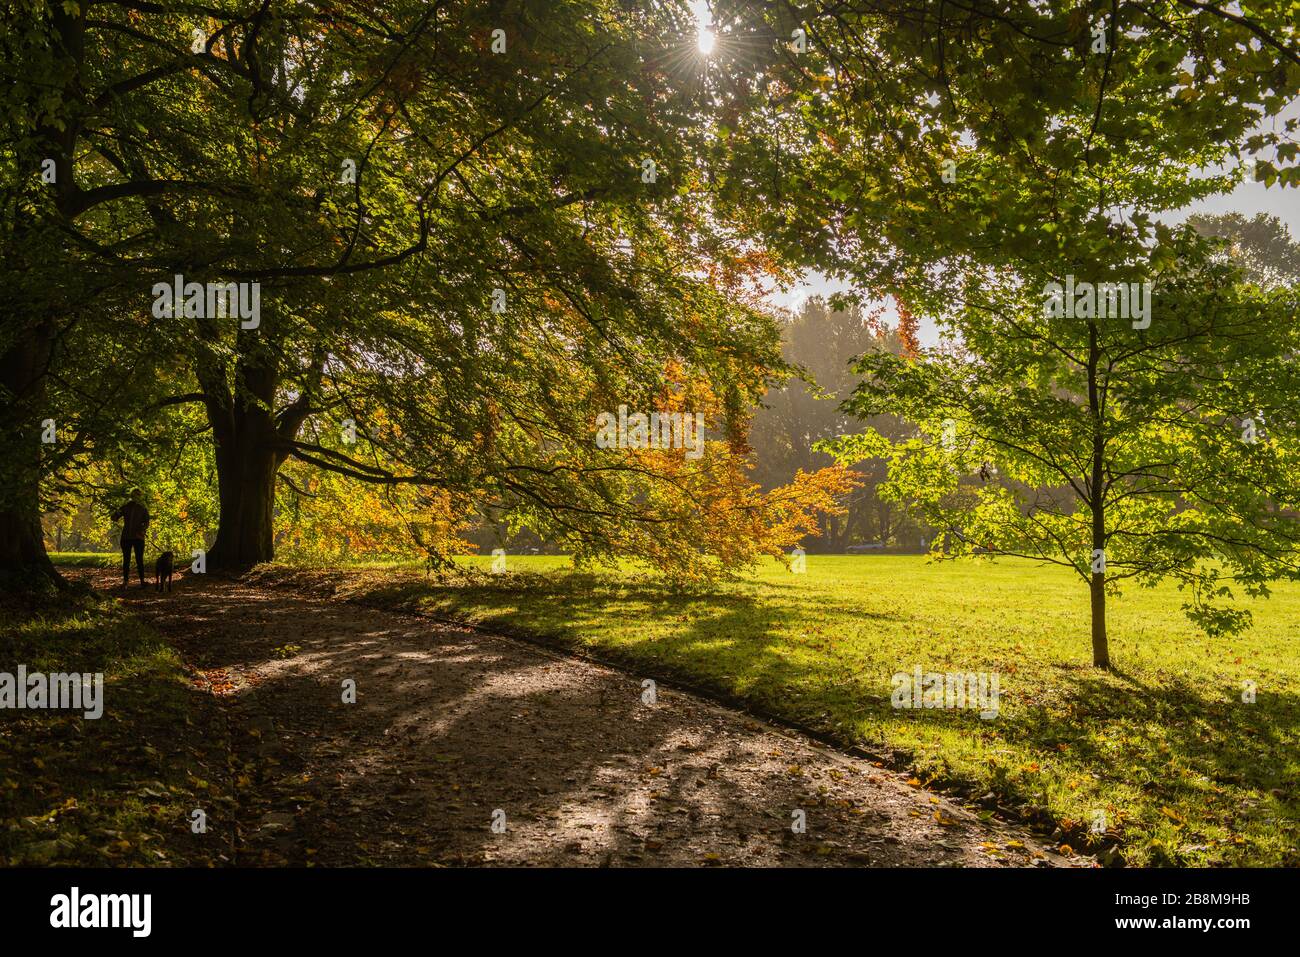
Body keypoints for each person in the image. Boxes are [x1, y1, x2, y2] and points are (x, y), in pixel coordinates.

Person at [112, 489, 150, 588]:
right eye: (136, 495)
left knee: (136, 560)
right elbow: (114, 517)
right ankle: (128, 582)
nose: (137, 497)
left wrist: (142, 529)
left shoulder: (140, 508)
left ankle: (138, 581)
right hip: (129, 537)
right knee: (130, 560)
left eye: (138, 495)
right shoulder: (129, 507)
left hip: (134, 537)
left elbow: (146, 523)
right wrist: (116, 513)